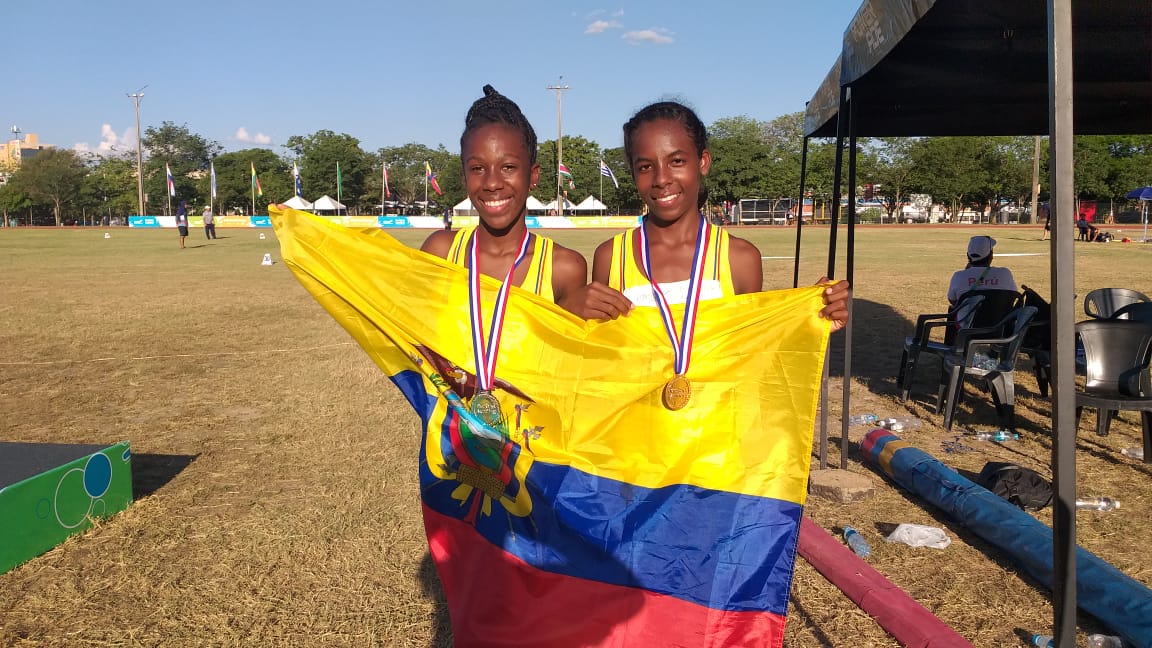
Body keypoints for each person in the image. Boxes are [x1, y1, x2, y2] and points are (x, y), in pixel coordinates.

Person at [581, 100, 849, 327]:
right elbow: (602, 351)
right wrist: (571, 311)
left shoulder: (740, 258)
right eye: (645, 167)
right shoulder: (611, 257)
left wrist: (810, 316)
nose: (661, 179)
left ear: (703, 162)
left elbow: (751, 347)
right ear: (632, 173)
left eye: (677, 161)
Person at [419, 85, 596, 314]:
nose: (492, 183)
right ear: (464, 177)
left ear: (533, 176)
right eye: (477, 168)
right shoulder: (440, 252)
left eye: (508, 167)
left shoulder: (563, 268)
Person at [946, 235, 1018, 322]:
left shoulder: (959, 276)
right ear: (991, 256)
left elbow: (953, 301)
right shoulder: (1005, 274)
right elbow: (1012, 296)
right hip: (999, 326)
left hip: (967, 327)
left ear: (968, 255)